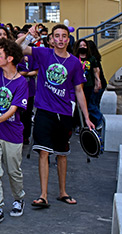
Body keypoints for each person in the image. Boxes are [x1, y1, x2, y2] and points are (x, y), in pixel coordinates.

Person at [17, 24, 95, 208]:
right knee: (43, 153)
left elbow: (79, 91)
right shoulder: (43, 53)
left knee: (61, 154)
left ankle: (63, 193)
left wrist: (87, 118)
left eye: (63, 36)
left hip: (65, 114)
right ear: (52, 39)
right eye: (57, 36)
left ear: (68, 39)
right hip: (44, 111)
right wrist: (29, 35)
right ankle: (43, 195)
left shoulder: (75, 63)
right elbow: (17, 49)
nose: (60, 39)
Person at [0, 39, 28, 225]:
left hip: (12, 133)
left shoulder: (21, 82)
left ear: (9, 58)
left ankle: (18, 198)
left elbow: (13, 109)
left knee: (13, 171)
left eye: (0, 54)